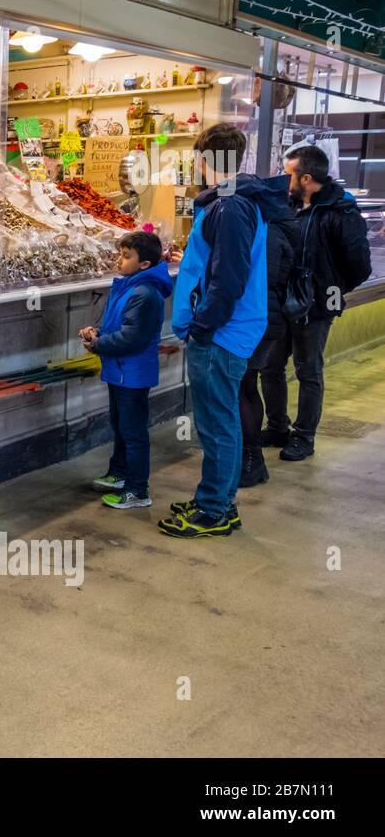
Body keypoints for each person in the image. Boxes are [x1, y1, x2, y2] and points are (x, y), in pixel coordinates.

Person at [159, 124, 290, 539]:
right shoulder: (234, 201)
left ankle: (215, 509)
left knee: (216, 424)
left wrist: (202, 326)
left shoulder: (231, 206)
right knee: (222, 420)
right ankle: (216, 500)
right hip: (225, 330)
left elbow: (228, 279)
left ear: (204, 160)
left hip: (221, 333)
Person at [258, 145, 372, 462]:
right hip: (281, 302)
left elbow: (360, 265)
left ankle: (304, 436)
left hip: (316, 307)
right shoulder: (286, 207)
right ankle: (277, 426)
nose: (283, 179)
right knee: (270, 367)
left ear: (306, 178)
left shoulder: (340, 212)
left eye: (288, 173)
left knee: (308, 371)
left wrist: (325, 289)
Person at [80, 230, 173, 510]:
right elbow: (117, 326)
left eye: (126, 256)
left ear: (144, 264)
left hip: (132, 373)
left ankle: (137, 489)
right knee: (120, 425)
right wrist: (96, 332)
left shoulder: (145, 293)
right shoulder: (128, 285)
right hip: (119, 370)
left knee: (133, 432)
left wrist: (98, 345)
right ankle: (119, 473)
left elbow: (132, 337)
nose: (119, 260)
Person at [237, 185, 298, 487]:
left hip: (258, 320)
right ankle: (249, 457)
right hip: (268, 321)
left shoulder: (268, 233)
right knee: (247, 386)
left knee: (244, 387)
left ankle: (251, 459)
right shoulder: (279, 227)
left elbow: (258, 280)